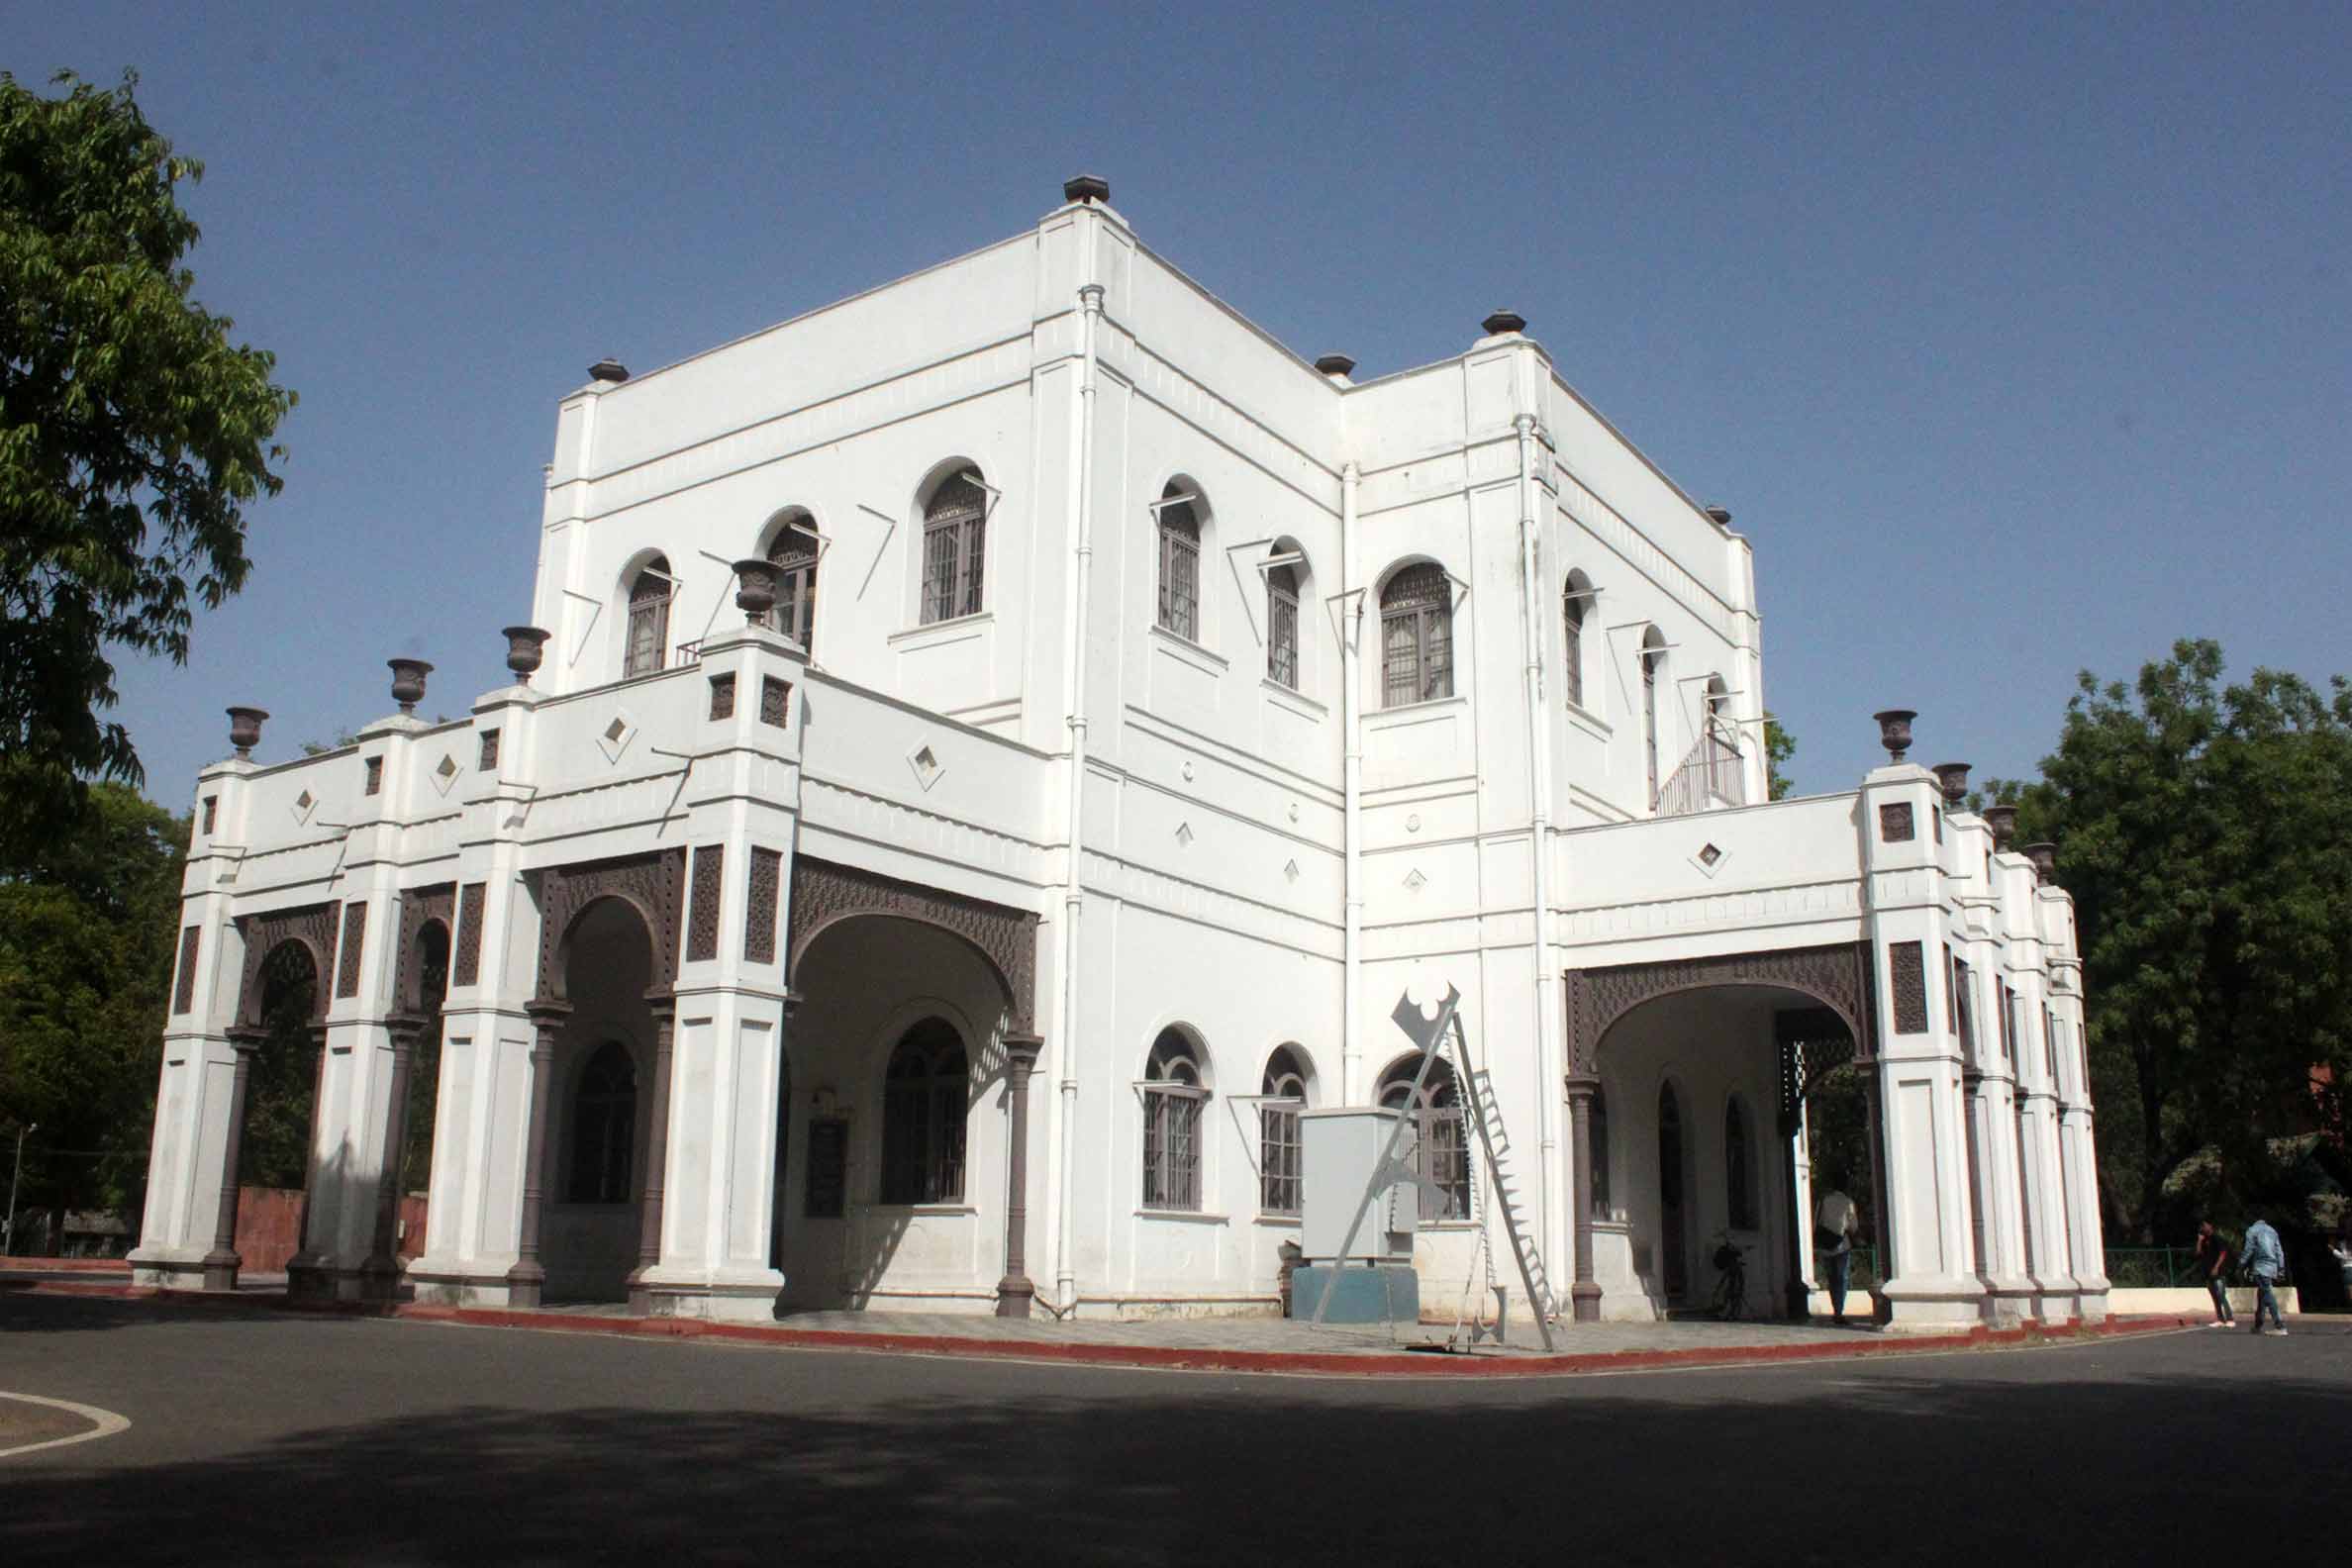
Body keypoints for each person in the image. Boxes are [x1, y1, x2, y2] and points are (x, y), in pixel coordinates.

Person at [1814, 1180, 1859, 1325]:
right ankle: (1839, 1311)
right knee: (1842, 1278)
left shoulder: (1824, 1200)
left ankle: (1835, 1307)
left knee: (1831, 1278)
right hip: (1842, 1245)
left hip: (1826, 1244)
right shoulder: (1848, 1202)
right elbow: (1853, 1226)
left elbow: (1817, 1221)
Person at [2240, 1214, 2288, 1336]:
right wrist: (2281, 1269)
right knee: (2262, 1294)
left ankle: (2280, 1325)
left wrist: (2241, 1264)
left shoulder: (2252, 1230)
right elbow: (2279, 1251)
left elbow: (2249, 1250)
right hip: (2273, 1266)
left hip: (2261, 1265)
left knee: (2267, 1293)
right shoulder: (2272, 1230)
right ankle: (2258, 1324)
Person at [2191, 1221, 2234, 1326]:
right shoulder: (2204, 1240)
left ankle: (2230, 1319)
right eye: (2202, 1226)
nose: (2203, 1227)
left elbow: (2223, 1253)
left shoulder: (2217, 1238)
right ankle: (2220, 1318)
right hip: (2207, 1272)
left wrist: (2216, 1267)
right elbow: (2198, 1253)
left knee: (2221, 1295)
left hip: (2218, 1272)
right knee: (2214, 1296)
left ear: (2210, 1226)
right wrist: (2199, 1241)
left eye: (2205, 1225)